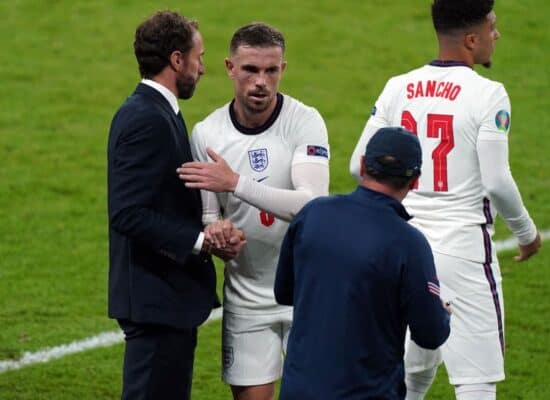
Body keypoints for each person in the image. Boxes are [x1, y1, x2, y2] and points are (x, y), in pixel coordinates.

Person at [349, 1, 542, 399]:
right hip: (463, 252)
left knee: (411, 367)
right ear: (472, 40)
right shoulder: (489, 94)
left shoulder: (397, 87)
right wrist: (527, 233)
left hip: (401, 249)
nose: (497, 35)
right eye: (492, 27)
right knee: (475, 382)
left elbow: (358, 165)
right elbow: (497, 181)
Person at [177, 23, 330, 400]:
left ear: (282, 69)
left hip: (306, 294)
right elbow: (211, 219)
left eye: (271, 70)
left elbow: (311, 205)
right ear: (230, 67)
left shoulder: (304, 121)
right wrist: (218, 235)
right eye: (250, 70)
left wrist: (237, 184)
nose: (261, 81)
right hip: (246, 298)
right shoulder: (207, 134)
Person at [107, 11, 245, 400]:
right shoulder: (146, 118)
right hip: (155, 300)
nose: (203, 69)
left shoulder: (158, 111)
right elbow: (128, 212)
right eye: (199, 58)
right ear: (176, 60)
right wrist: (202, 241)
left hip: (164, 299)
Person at [275, 127, 450, 400]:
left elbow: (284, 292)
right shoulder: (409, 243)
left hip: (299, 391)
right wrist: (441, 312)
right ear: (415, 180)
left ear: (362, 165)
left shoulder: (313, 214)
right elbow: (430, 334)